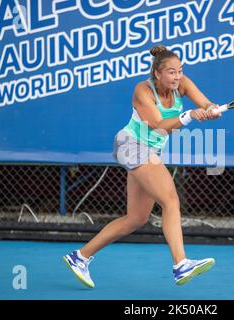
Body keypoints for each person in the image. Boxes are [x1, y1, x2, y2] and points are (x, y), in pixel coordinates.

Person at [63, 45, 221, 288]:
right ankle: (181, 264)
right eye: (171, 72)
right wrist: (189, 116)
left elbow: (206, 102)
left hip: (150, 150)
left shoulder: (182, 83)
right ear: (157, 74)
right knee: (170, 201)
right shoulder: (142, 90)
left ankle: (80, 257)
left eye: (179, 71)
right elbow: (158, 124)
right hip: (132, 145)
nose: (177, 76)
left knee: (136, 218)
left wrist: (211, 109)